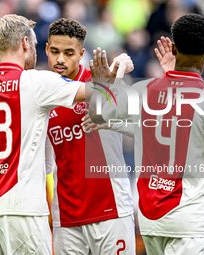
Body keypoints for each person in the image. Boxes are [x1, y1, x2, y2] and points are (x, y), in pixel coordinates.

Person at [0, 14, 90, 255]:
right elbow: (100, 93)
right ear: (25, 44)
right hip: (24, 210)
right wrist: (114, 73)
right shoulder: (35, 82)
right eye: (33, 43)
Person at [89, 13, 204, 255]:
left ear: (174, 48)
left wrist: (103, 82)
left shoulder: (144, 89)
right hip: (191, 219)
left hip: (150, 217)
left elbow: (97, 112)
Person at [45, 18, 136, 255]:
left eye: (68, 53)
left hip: (111, 209)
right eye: (54, 52)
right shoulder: (42, 93)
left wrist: (109, 120)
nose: (60, 59)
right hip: (66, 215)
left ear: (81, 53)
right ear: (46, 49)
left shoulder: (102, 79)